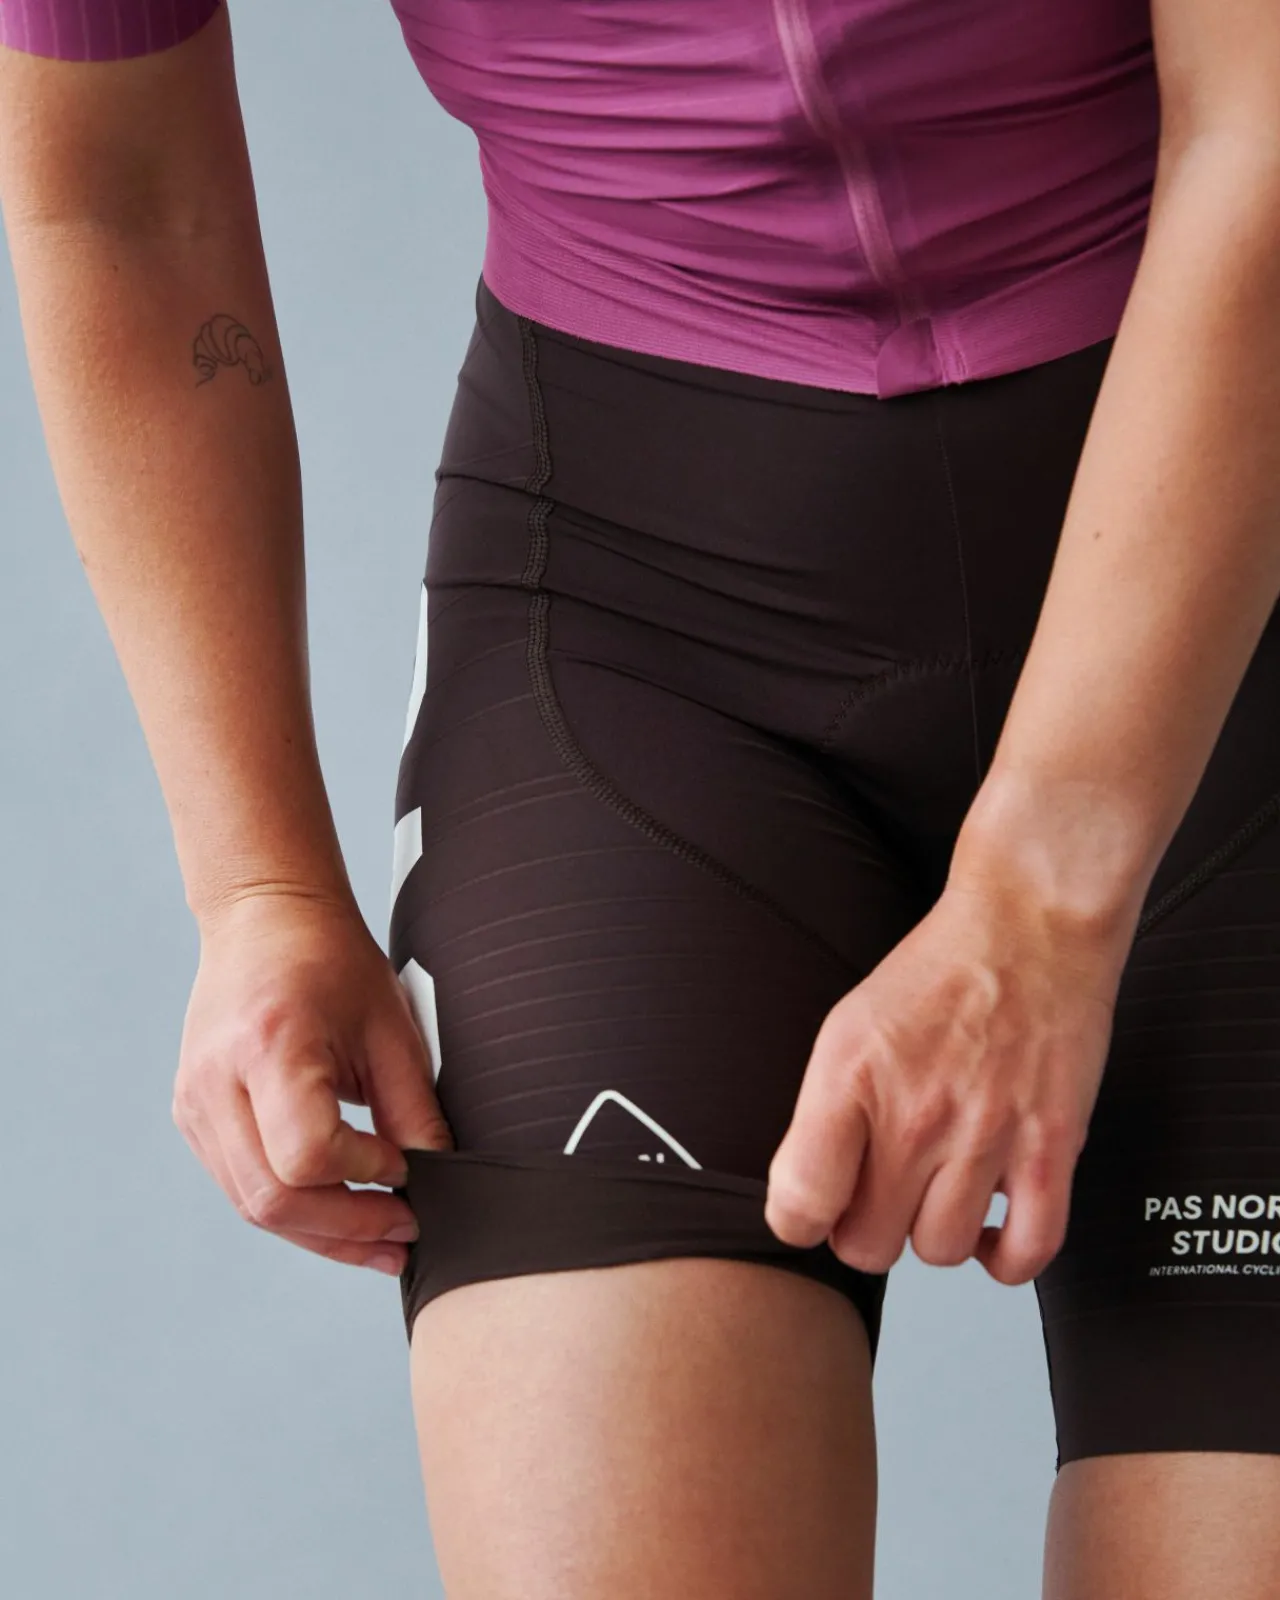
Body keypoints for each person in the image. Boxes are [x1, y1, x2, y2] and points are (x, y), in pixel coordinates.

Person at [2, 1, 1278, 1593]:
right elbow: (118, 187)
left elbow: (1266, 137)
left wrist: (1039, 904)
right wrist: (257, 887)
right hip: (637, 634)